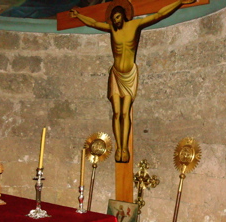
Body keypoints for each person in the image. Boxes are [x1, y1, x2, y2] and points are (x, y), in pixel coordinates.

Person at [70, 0, 194, 163]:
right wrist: (79, 15)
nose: (116, 20)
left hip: (129, 75)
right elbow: (93, 23)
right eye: (113, 18)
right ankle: (119, 147)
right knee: (115, 113)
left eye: (118, 17)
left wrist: (179, 2)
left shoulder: (135, 25)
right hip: (115, 74)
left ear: (124, 16)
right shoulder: (112, 30)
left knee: (125, 112)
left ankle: (125, 149)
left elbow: (159, 14)